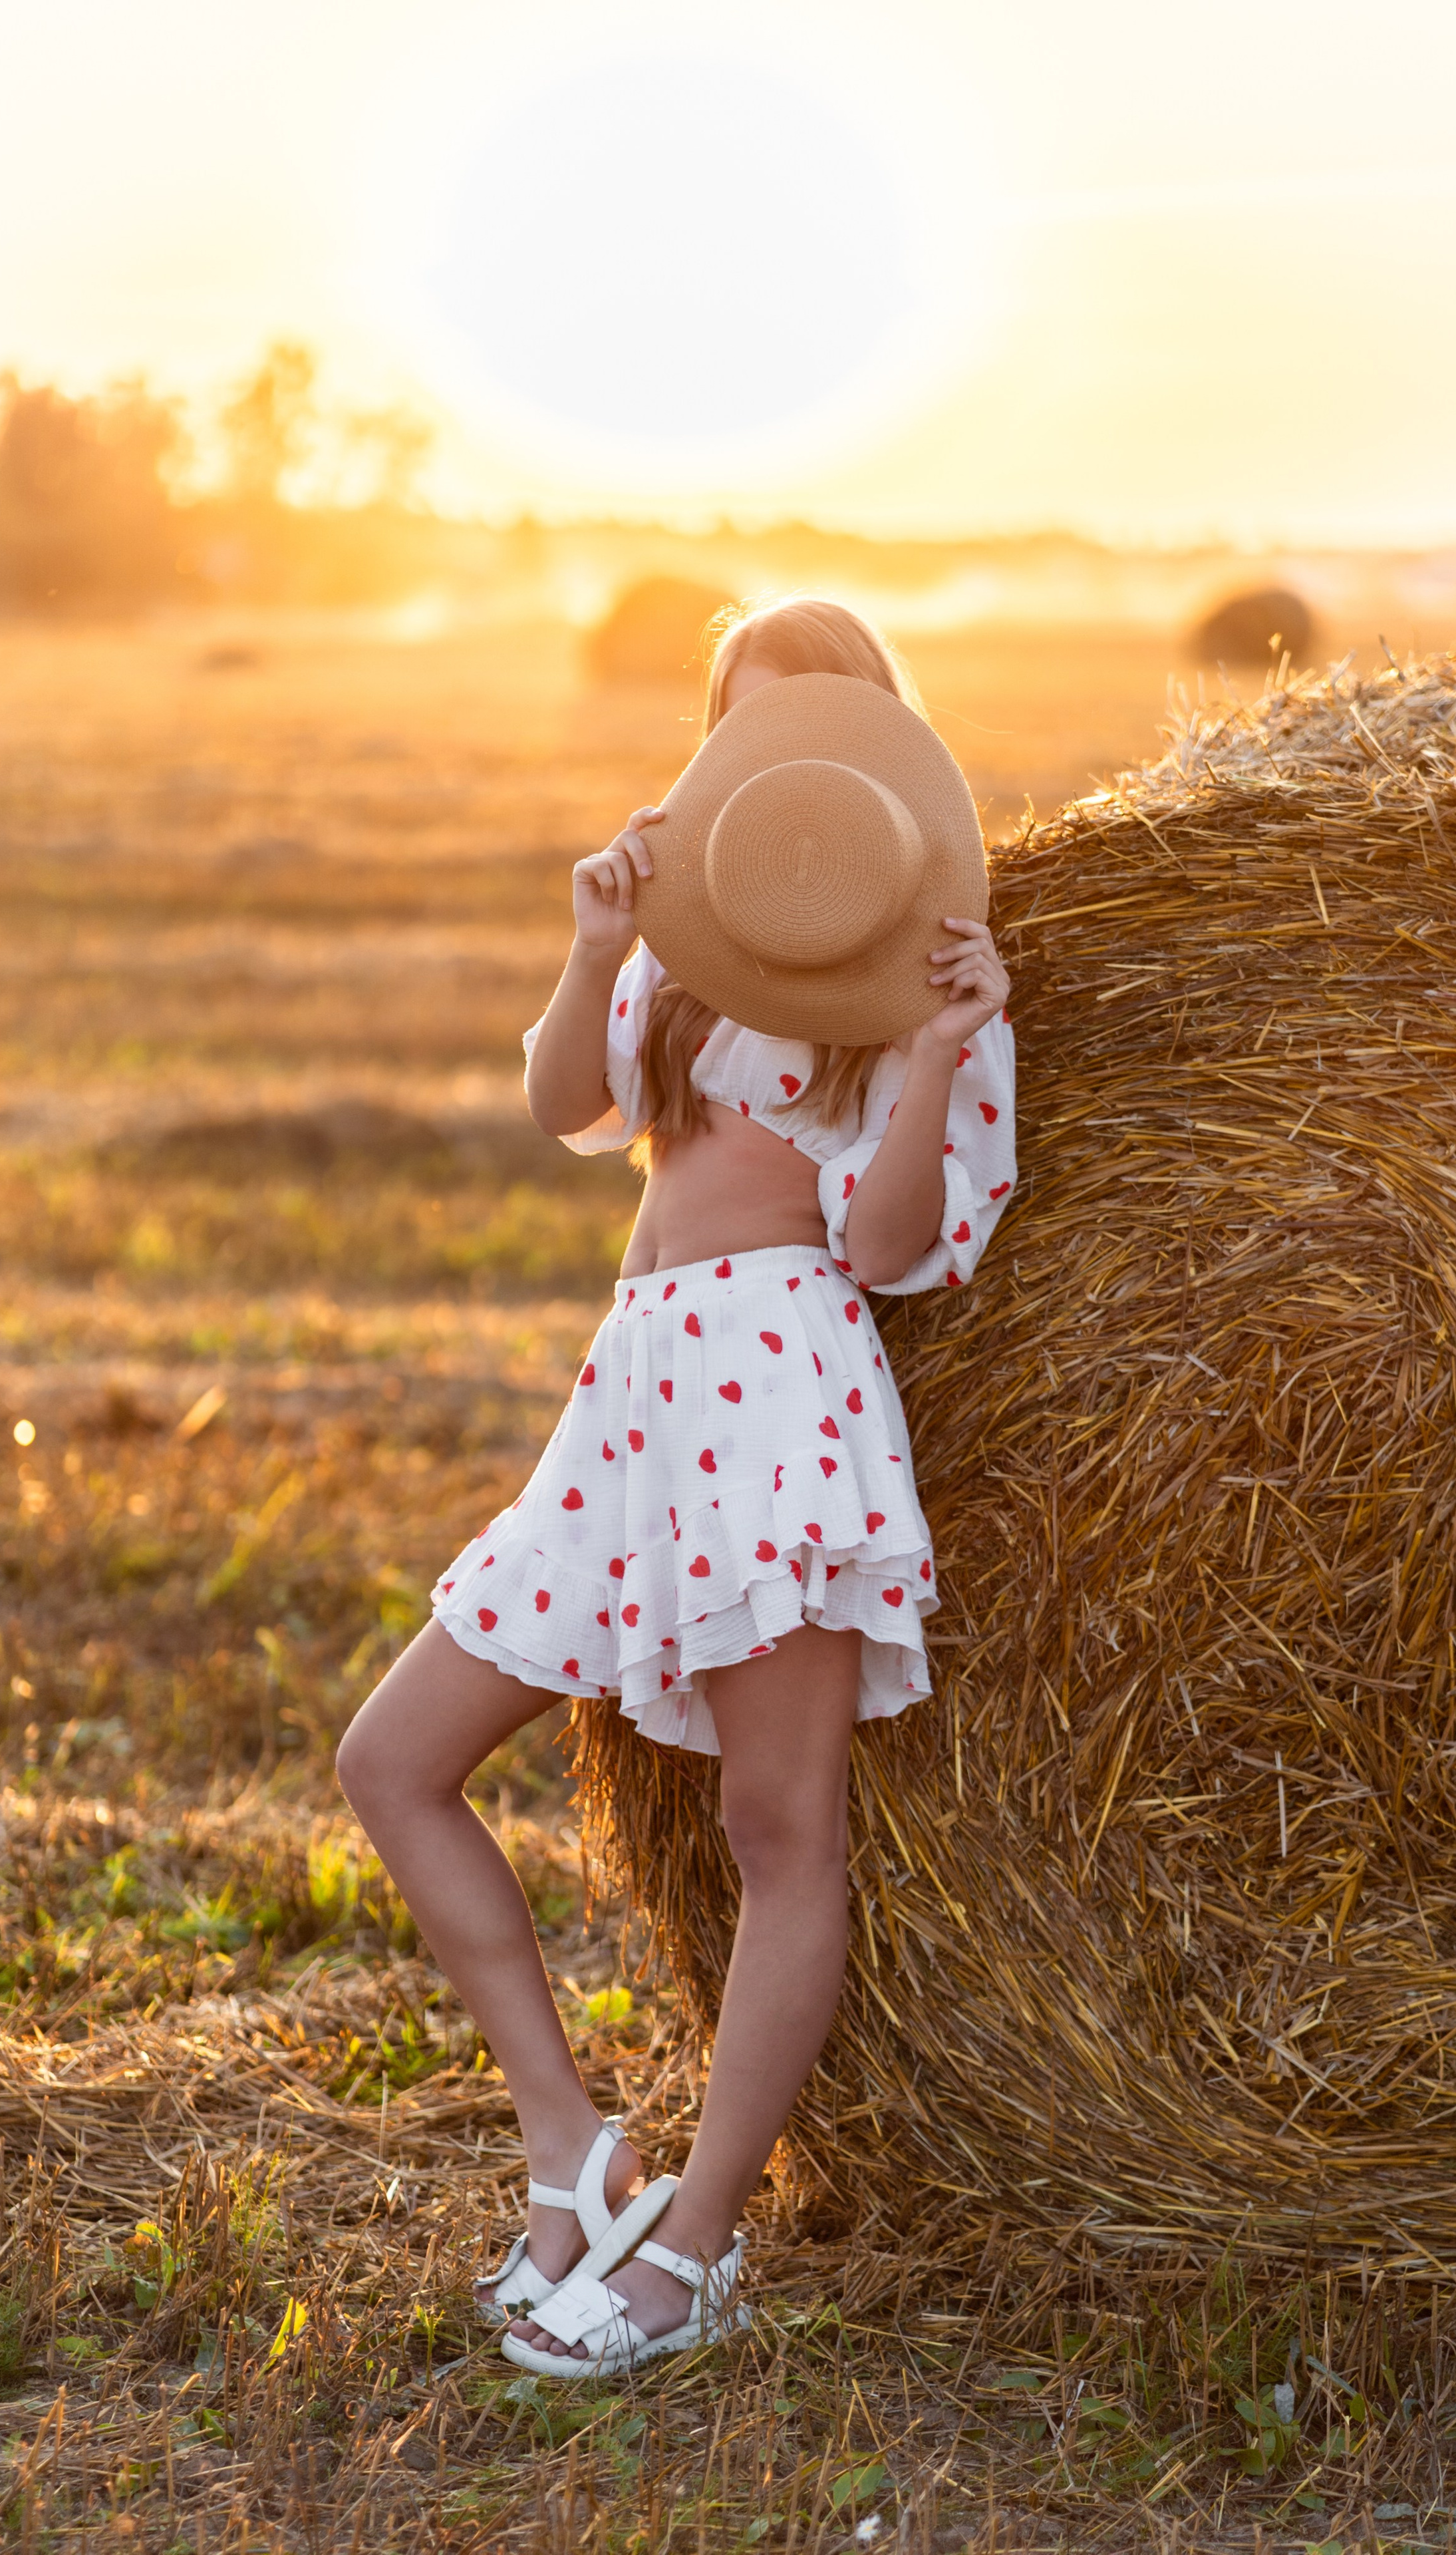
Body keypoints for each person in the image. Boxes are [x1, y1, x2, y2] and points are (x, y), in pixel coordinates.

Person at [336, 597, 1014, 2376]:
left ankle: (692, 2250)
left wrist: (939, 1055)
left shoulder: (935, 973)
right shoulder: (689, 930)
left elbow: (887, 1247)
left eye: (804, 722)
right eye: (739, 720)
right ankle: (573, 2154)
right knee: (391, 1761)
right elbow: (569, 1109)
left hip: (781, 1388)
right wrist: (594, 945)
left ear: (873, 743)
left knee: (778, 1833)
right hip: (630, 1396)